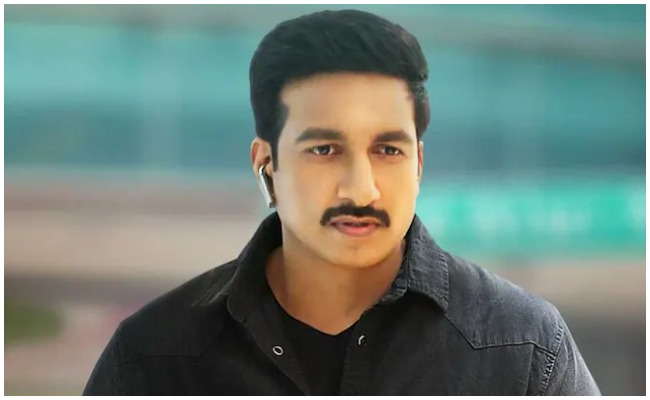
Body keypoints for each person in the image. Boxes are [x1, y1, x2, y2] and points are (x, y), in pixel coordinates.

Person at [83, 9, 601, 395]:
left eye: (388, 150)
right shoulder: (153, 356)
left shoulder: (522, 348)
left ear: (418, 164)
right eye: (325, 150)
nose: (361, 190)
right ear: (267, 162)